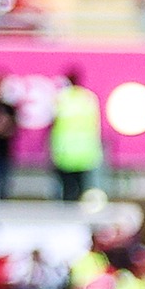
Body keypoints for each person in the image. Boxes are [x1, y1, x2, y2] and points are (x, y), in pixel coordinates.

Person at [50, 68, 103, 201]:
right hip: (85, 153)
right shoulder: (88, 98)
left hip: (65, 152)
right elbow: (95, 124)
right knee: (82, 187)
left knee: (67, 188)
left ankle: (69, 212)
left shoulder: (61, 98)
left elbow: (54, 122)